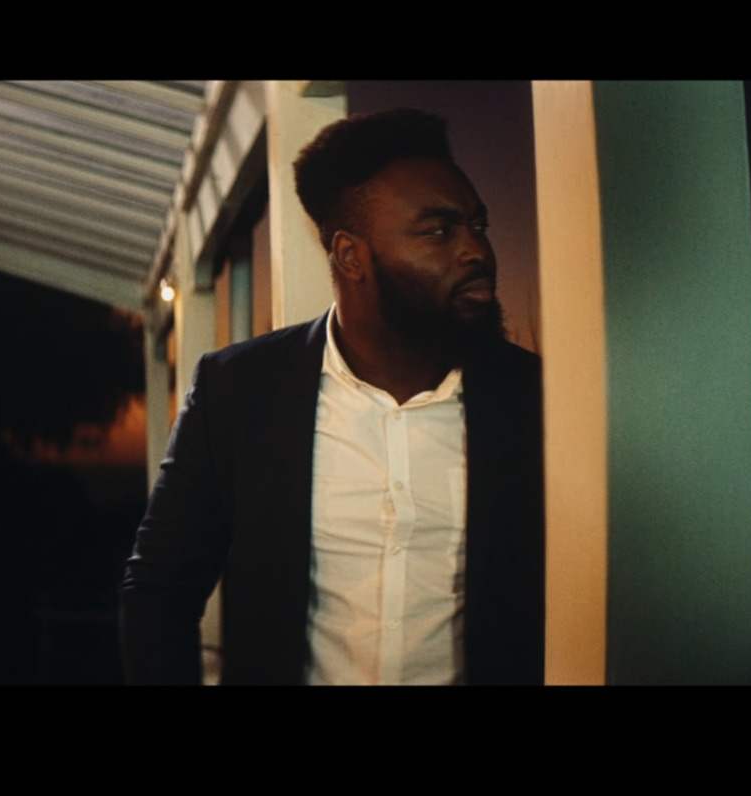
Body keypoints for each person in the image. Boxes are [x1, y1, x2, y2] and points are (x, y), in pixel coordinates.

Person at [119, 108, 543, 685]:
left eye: (478, 226)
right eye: (440, 231)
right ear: (350, 256)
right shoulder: (239, 392)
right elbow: (159, 590)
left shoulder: (535, 400)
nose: (476, 252)